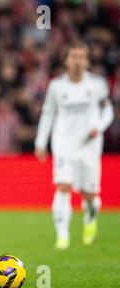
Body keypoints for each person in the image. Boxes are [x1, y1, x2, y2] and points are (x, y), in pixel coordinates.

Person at [35, 41, 114, 250]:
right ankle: (62, 235)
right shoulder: (56, 86)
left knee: (90, 195)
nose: (77, 60)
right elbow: (48, 113)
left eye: (81, 56)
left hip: (89, 146)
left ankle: (90, 221)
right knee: (63, 186)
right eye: (73, 56)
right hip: (63, 144)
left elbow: (108, 111)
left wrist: (98, 126)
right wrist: (41, 141)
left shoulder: (97, 84)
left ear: (87, 60)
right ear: (66, 61)